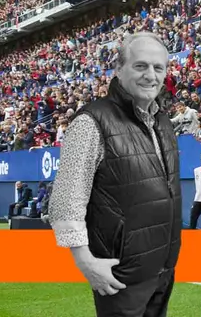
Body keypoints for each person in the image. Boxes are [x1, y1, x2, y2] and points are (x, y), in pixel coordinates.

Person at [48, 32, 181, 317]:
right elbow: (65, 200)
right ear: (119, 70)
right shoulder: (90, 121)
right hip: (118, 273)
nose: (151, 75)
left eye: (159, 68)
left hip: (162, 269)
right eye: (141, 66)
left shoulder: (163, 122)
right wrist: (86, 263)